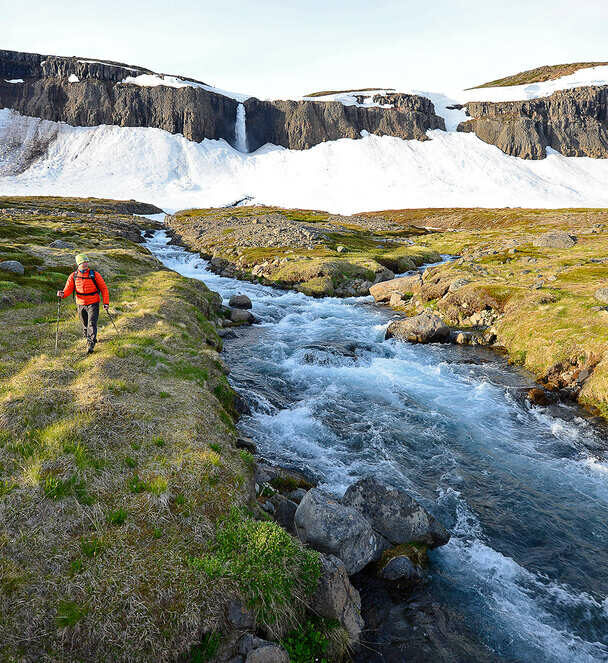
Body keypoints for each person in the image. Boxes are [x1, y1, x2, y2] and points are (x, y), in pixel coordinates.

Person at [57, 253, 110, 354]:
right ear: (78, 264)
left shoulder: (94, 274)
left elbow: (104, 288)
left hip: (93, 303)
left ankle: (91, 344)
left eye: (86, 262)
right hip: (80, 304)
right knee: (85, 324)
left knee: (91, 323)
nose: (85, 264)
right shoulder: (73, 276)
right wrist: (62, 294)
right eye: (82, 262)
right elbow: (67, 290)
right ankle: (88, 338)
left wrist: (106, 303)